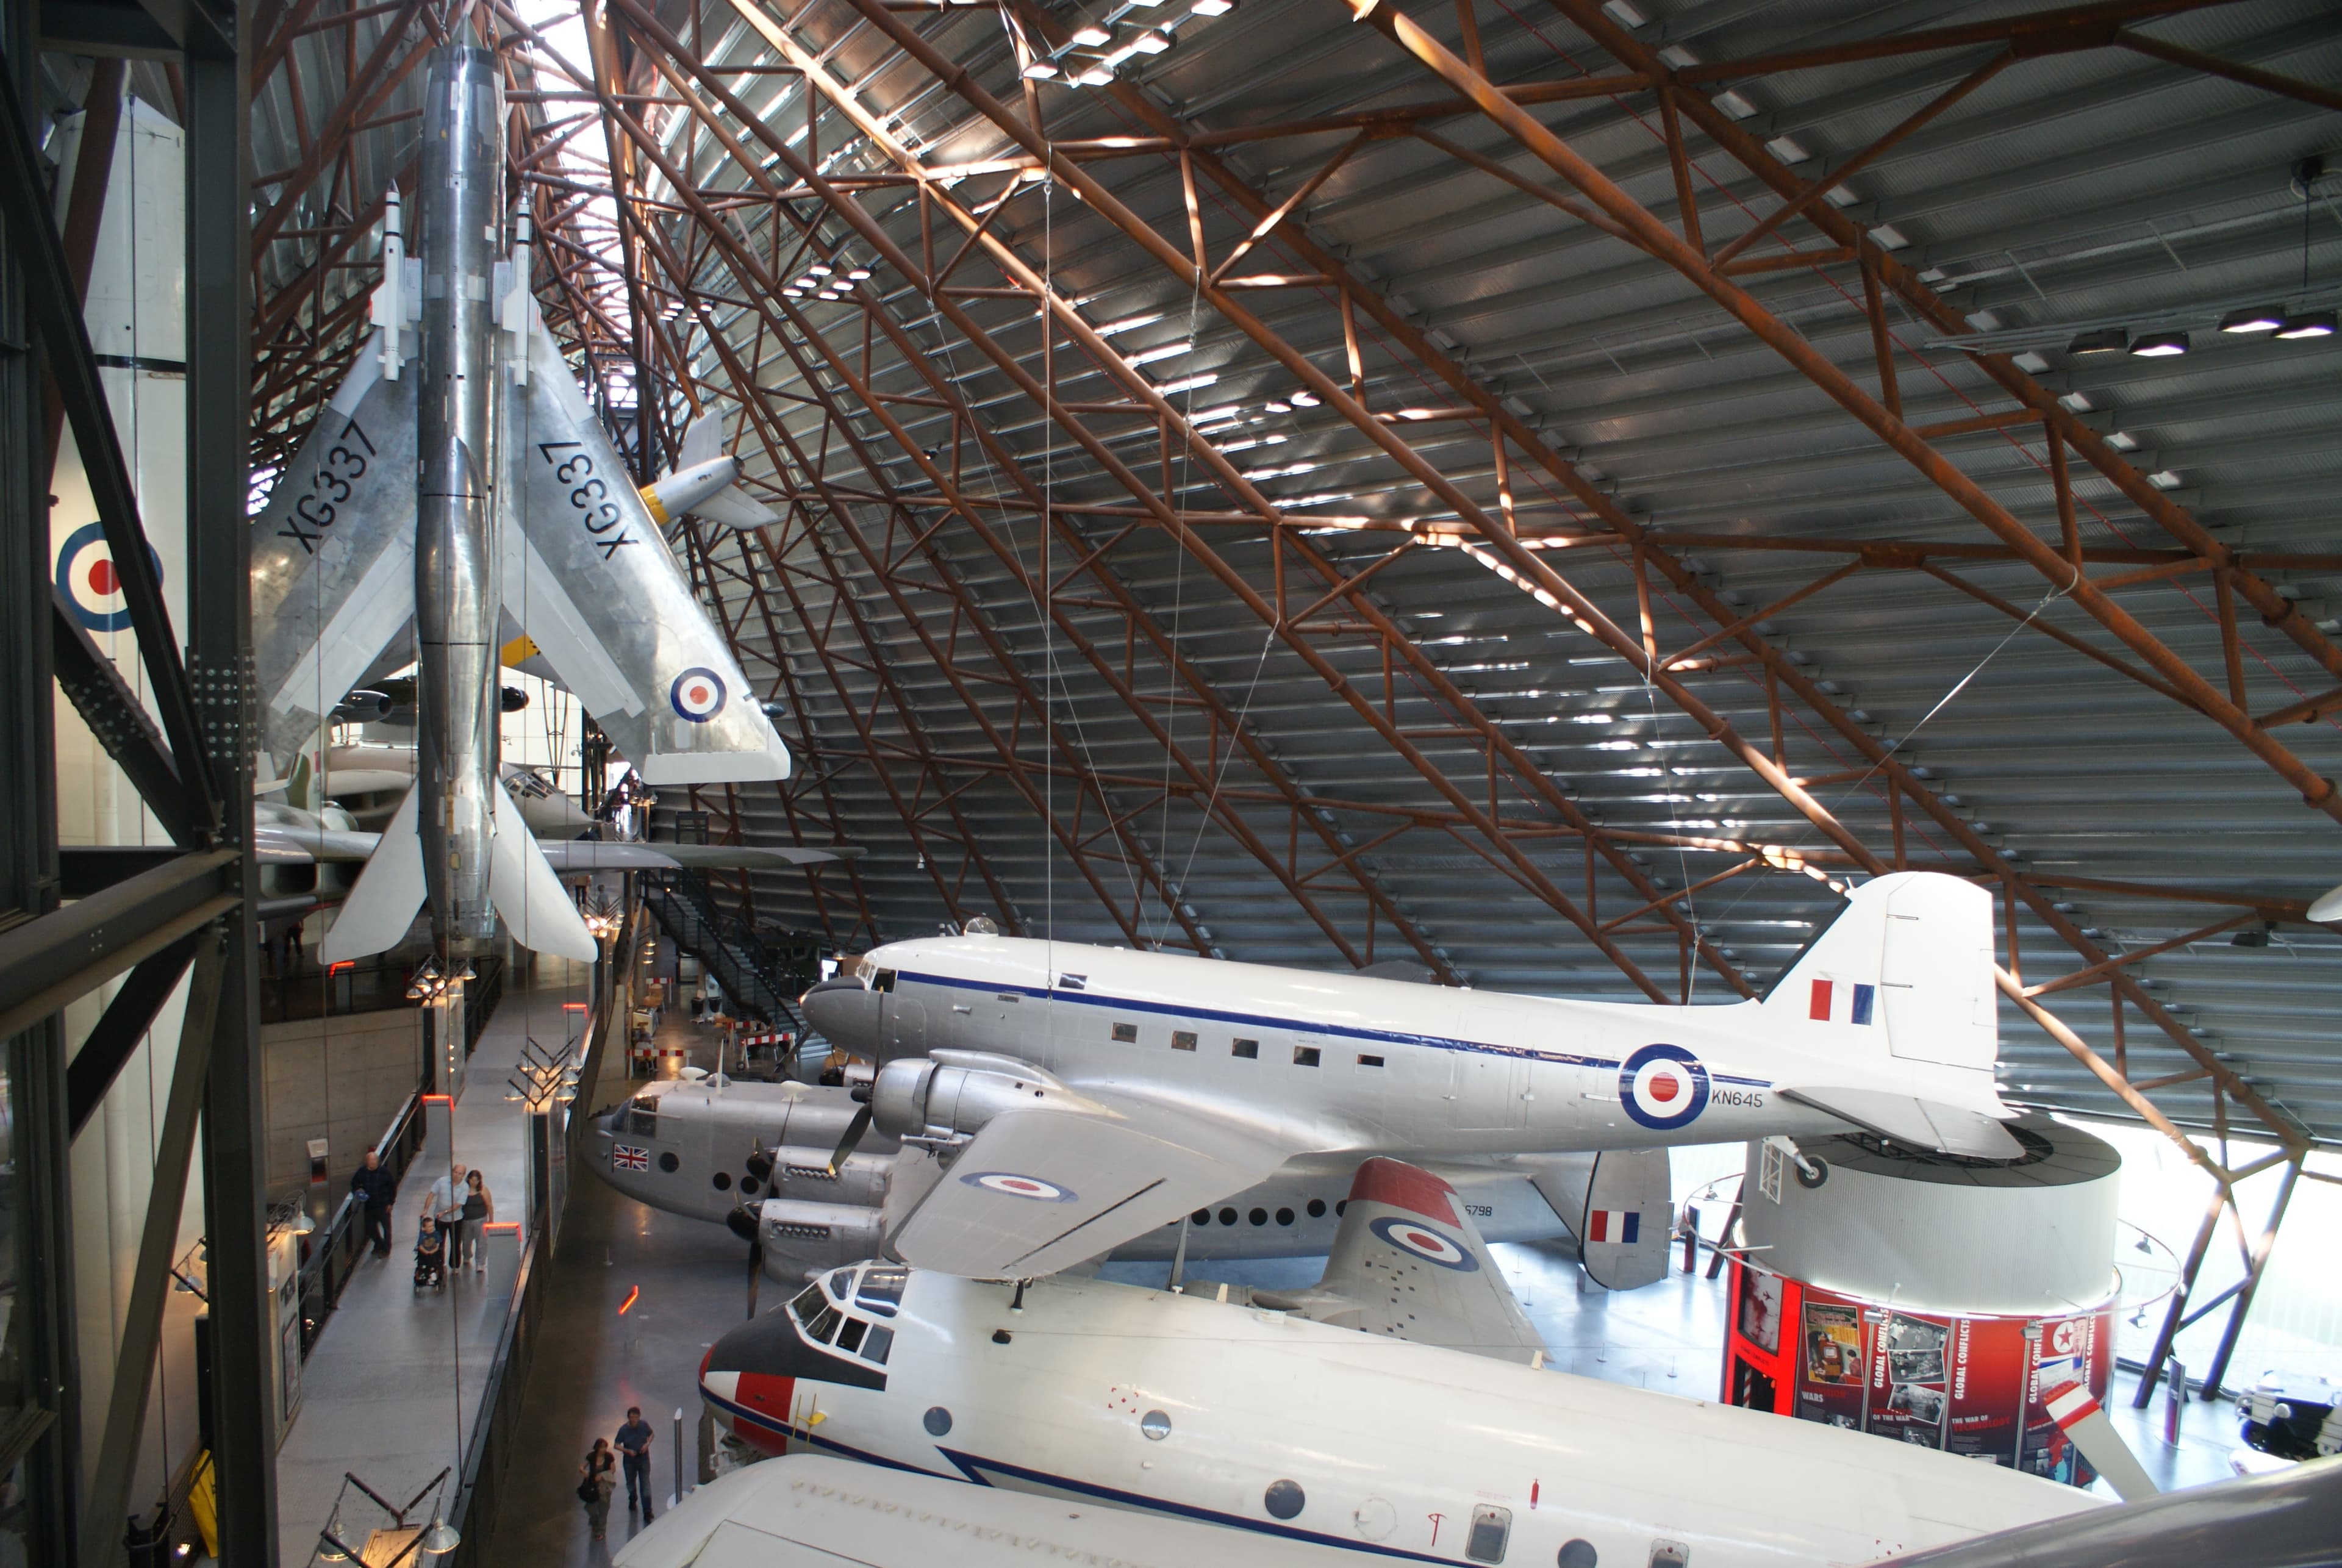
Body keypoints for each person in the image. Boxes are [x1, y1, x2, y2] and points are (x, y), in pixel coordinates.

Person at [350, 1150, 396, 1258]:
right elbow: (354, 1184)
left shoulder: (384, 1172)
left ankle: (386, 1250)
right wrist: (358, 1190)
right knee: (370, 1229)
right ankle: (380, 1245)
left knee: (386, 1229)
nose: (373, 1162)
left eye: (375, 1160)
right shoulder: (362, 1172)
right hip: (370, 1206)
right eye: (371, 1160)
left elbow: (392, 1187)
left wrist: (391, 1203)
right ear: (367, 1162)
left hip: (383, 1205)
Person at [426, 1162, 469, 1269]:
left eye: (460, 1173)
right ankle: (440, 1264)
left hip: (456, 1220)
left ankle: (455, 1266)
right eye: (455, 1172)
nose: (457, 1175)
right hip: (440, 1219)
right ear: (452, 1171)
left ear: (463, 1175)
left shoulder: (464, 1187)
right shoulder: (442, 1181)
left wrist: (445, 1212)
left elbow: (458, 1205)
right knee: (439, 1243)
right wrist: (425, 1209)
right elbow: (432, 1194)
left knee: (455, 1243)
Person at [615, 1406, 654, 1519]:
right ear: (629, 1418)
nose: (634, 1420)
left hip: (643, 1458)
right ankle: (633, 1497)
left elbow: (651, 1434)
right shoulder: (623, 1430)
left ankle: (647, 1510)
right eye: (632, 1418)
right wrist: (627, 1451)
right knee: (630, 1483)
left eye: (636, 1417)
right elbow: (616, 1445)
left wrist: (647, 1444)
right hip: (629, 1461)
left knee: (645, 1484)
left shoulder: (644, 1425)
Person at [579, 1438, 617, 1540]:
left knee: (604, 1509)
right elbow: (582, 1467)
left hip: (605, 1486)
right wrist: (584, 1472)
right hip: (593, 1487)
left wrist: (603, 1475)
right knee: (591, 1508)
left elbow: (613, 1469)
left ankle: (601, 1531)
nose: (604, 1449)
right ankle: (594, 1522)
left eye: (605, 1447)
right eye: (602, 1447)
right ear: (597, 1448)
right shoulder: (591, 1456)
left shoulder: (609, 1457)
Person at [460, 1169, 493, 1273]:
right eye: (472, 1180)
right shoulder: (463, 1190)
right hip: (466, 1220)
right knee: (466, 1241)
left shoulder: (483, 1190)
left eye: (476, 1181)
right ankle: (467, 1255)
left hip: (480, 1219)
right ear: (469, 1179)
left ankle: (480, 1263)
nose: (474, 1183)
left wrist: (491, 1220)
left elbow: (489, 1205)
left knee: (481, 1242)